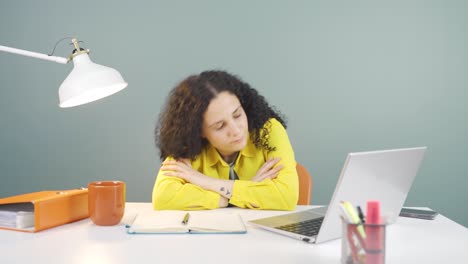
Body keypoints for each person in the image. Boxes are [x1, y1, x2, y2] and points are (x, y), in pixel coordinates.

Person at [152, 70, 298, 210]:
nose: (236, 131)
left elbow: (286, 196)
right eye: (220, 126)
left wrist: (206, 182)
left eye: (237, 115)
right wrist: (235, 195)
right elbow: (163, 197)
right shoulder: (185, 145)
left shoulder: (269, 130)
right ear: (199, 131)